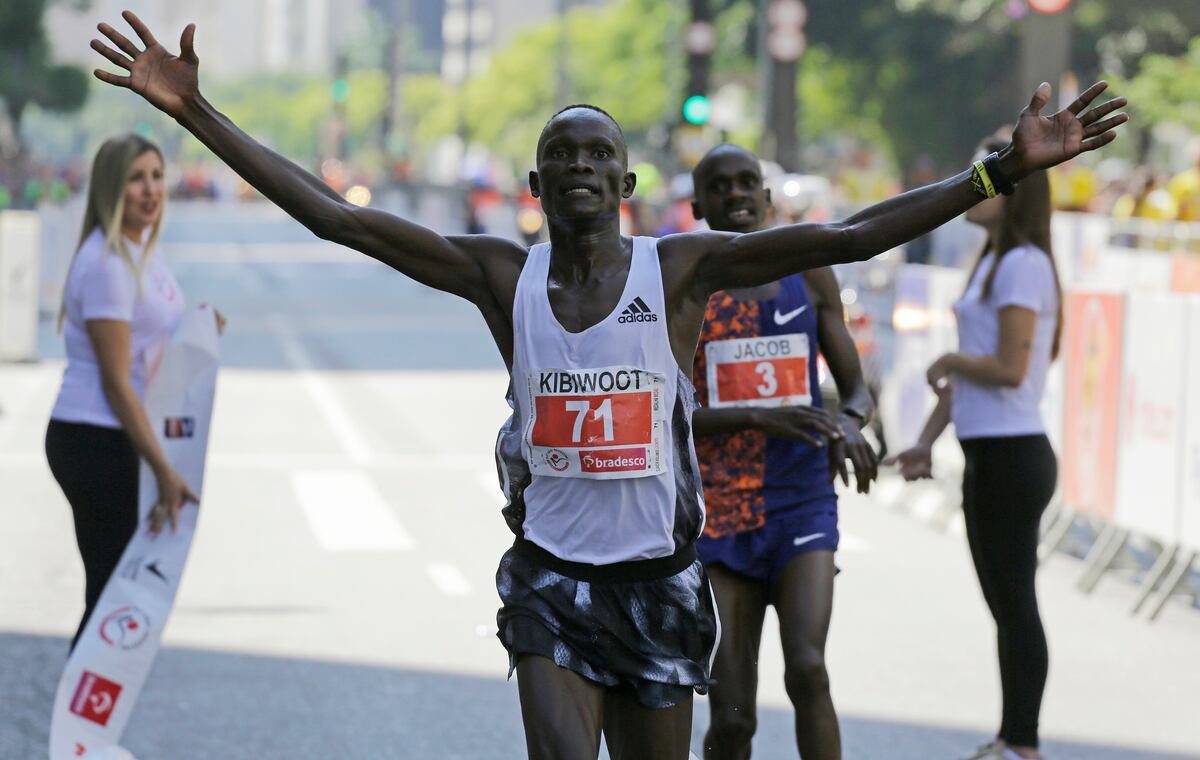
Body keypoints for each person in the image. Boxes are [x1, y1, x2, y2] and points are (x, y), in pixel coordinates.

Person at [88, 12, 1126, 758]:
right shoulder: (503, 275)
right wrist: (196, 113)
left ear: (625, 185)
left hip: (662, 581)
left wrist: (998, 173)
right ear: (536, 186)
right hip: (551, 581)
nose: (579, 165)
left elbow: (850, 233)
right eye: (559, 154)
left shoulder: (682, 269)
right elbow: (339, 218)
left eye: (599, 153)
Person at [689, 144, 877, 760]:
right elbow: (666, 417)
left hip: (801, 499)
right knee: (735, 714)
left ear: (768, 201)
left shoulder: (809, 271)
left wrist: (850, 423)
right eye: (721, 186)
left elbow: (855, 389)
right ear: (698, 205)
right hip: (719, 511)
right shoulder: (682, 286)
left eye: (749, 183)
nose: (737, 194)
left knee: (808, 669)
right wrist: (755, 416)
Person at [888, 137, 1066, 760]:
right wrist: (924, 443)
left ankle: (1023, 742)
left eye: (986, 175)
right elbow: (968, 380)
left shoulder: (1023, 263)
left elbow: (1009, 368)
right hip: (989, 453)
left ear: (1014, 190)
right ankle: (1012, 735)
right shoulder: (994, 259)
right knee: (1005, 605)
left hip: (1014, 456)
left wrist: (951, 357)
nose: (975, 184)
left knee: (1016, 603)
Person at [44, 134, 215, 651]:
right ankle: (78, 726)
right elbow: (117, 383)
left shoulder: (140, 252)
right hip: (96, 438)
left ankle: (88, 727)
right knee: (111, 595)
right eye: (136, 178)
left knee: (115, 593)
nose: (150, 190)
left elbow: (151, 344)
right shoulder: (107, 265)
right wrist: (164, 471)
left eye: (157, 176)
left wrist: (203, 332)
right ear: (110, 188)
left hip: (117, 438)